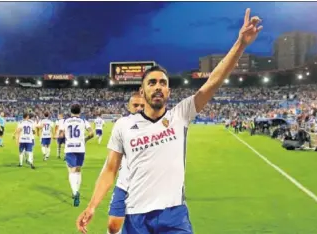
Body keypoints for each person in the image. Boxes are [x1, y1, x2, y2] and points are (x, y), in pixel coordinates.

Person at [76, 8, 262, 233]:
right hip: (135, 216)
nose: (158, 87)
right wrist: (92, 205)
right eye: (152, 83)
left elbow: (214, 80)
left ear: (168, 91)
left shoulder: (180, 115)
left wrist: (240, 44)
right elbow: (110, 170)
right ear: (142, 91)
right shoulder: (123, 126)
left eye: (162, 83)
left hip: (173, 215)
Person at [107, 92, 145, 234]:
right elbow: (112, 160)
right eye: (136, 105)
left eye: (142, 105)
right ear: (129, 107)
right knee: (113, 226)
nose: (139, 108)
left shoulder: (156, 125)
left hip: (145, 188)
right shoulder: (122, 124)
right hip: (124, 184)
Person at [59, 103, 94, 207]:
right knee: (78, 170)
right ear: (80, 111)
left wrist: (64, 138)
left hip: (69, 148)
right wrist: (85, 140)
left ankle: (75, 193)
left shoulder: (65, 121)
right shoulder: (83, 121)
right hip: (80, 148)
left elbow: (60, 134)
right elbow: (92, 133)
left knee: (71, 170)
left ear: (70, 111)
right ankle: (76, 190)